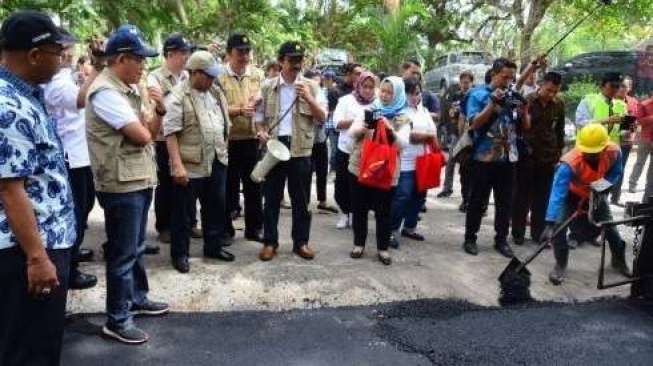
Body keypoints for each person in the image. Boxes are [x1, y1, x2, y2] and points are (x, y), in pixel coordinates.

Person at [0, 11, 77, 365]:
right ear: (33, 56)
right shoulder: (8, 105)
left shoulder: (26, 95)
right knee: (30, 349)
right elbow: (10, 189)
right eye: (56, 51)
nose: (62, 60)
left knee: (37, 343)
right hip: (28, 252)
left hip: (39, 244)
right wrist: (37, 257)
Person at [86, 25, 169, 344]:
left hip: (138, 177)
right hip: (120, 184)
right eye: (139, 60)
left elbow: (151, 127)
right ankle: (117, 319)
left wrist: (159, 108)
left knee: (134, 247)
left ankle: (137, 298)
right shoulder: (106, 92)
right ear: (121, 59)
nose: (143, 67)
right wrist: (151, 120)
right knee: (122, 252)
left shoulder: (127, 88)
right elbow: (143, 135)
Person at [255, 41, 327, 261]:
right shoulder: (267, 86)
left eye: (299, 60)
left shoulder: (312, 87)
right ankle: (270, 242)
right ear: (281, 61)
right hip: (275, 148)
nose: (297, 64)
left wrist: (308, 97)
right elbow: (258, 118)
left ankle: (301, 242)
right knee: (271, 198)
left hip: (301, 150)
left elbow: (322, 118)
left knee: (301, 201)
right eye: (292, 60)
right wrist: (260, 132)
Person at [164, 51, 234, 273]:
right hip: (190, 164)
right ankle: (180, 254)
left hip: (216, 160)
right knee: (183, 214)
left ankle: (212, 246)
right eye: (208, 75)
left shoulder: (214, 92)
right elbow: (171, 133)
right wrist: (177, 165)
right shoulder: (178, 96)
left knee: (215, 207)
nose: (212, 79)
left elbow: (224, 124)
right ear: (194, 73)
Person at [543, 124, 631, 285]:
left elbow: (616, 173)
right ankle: (560, 264)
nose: (590, 156)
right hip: (571, 194)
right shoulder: (569, 163)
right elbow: (557, 193)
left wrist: (600, 188)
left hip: (596, 193)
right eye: (587, 152)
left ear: (604, 147)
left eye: (595, 153)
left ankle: (618, 261)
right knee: (559, 227)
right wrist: (550, 222)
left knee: (611, 228)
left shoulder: (614, 152)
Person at [43, 38, 99, 291]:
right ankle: (71, 268)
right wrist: (97, 68)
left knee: (84, 207)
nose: (70, 52)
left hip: (80, 154)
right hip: (70, 157)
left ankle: (74, 253)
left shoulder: (64, 77)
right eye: (66, 48)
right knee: (76, 212)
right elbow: (80, 100)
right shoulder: (55, 83)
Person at [462, 58, 530, 258]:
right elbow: (474, 124)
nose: (508, 81)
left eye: (511, 78)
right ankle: (470, 238)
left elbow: (524, 127)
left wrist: (523, 111)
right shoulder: (477, 94)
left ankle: (501, 240)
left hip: (508, 158)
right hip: (483, 158)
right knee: (477, 201)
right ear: (493, 74)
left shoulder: (513, 96)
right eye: (504, 77)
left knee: (505, 203)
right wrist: (492, 103)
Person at [348, 76, 404, 265]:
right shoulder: (369, 110)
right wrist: (364, 126)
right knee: (359, 208)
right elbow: (351, 133)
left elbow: (402, 144)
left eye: (390, 92)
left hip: (386, 172)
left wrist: (390, 129)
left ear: (397, 94)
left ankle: (382, 248)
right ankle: (358, 244)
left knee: (383, 211)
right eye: (384, 91)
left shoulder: (403, 116)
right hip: (361, 168)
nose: (385, 95)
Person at [148, 33, 193, 248]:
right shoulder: (154, 77)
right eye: (183, 53)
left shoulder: (187, 76)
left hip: (184, 136)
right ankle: (164, 226)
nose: (187, 57)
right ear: (170, 54)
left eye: (188, 53)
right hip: (162, 137)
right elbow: (154, 106)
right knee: (166, 182)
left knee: (186, 182)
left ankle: (187, 222)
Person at [218, 33, 264, 242]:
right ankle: (226, 229)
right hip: (227, 140)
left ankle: (254, 228)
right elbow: (213, 108)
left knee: (254, 184)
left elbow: (264, 102)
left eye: (247, 51)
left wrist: (259, 101)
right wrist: (238, 110)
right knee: (228, 186)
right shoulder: (218, 76)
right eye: (239, 52)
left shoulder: (257, 75)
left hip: (251, 138)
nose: (244, 56)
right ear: (229, 54)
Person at [510, 72, 565, 245]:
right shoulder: (527, 101)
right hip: (527, 157)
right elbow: (517, 128)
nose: (551, 94)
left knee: (542, 199)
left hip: (548, 157)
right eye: (549, 90)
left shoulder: (559, 104)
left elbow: (559, 130)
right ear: (541, 85)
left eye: (555, 91)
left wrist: (558, 153)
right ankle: (518, 233)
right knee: (522, 197)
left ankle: (538, 233)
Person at [389, 77, 437, 248]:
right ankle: (391, 231)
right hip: (405, 161)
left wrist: (429, 139)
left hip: (422, 161)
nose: (415, 97)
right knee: (402, 196)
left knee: (419, 196)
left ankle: (409, 228)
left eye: (417, 93)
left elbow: (432, 130)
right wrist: (428, 137)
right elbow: (410, 137)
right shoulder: (399, 111)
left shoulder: (423, 110)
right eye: (411, 93)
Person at [332, 71, 377, 230]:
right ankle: (344, 213)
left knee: (360, 187)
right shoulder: (345, 101)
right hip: (346, 149)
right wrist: (359, 121)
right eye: (364, 86)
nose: (367, 90)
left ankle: (356, 215)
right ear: (358, 86)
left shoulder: (377, 104)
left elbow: (378, 126)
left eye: (371, 87)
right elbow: (336, 123)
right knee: (342, 185)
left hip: (366, 152)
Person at [304, 69, 338, 213]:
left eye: (319, 82)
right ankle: (304, 202)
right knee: (305, 171)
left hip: (320, 138)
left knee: (322, 170)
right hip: (305, 140)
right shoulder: (301, 95)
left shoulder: (321, 95)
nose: (318, 84)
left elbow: (323, 115)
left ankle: (322, 200)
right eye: (315, 82)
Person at [438, 70, 474, 198]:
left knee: (468, 165)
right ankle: (447, 188)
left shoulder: (474, 96)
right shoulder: (456, 95)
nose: (465, 85)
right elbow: (451, 113)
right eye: (463, 82)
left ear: (471, 83)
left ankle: (469, 194)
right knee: (451, 160)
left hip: (470, 134)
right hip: (456, 133)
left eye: (467, 82)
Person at [611, 80, 636, 206]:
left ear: (629, 88)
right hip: (608, 142)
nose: (621, 88)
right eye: (619, 85)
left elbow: (632, 122)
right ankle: (601, 197)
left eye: (624, 86)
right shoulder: (609, 100)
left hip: (625, 143)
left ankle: (615, 197)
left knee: (620, 170)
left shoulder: (632, 102)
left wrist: (630, 131)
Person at [323, 70, 339, 172]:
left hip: (332, 123)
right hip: (326, 123)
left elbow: (335, 108)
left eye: (327, 79)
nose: (325, 81)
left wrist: (329, 113)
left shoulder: (334, 91)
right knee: (323, 147)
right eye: (324, 79)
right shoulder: (325, 90)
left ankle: (333, 169)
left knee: (333, 148)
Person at [638, 94, 653, 201]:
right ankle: (632, 184)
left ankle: (647, 199)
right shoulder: (644, 104)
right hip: (645, 139)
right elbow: (639, 121)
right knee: (640, 162)